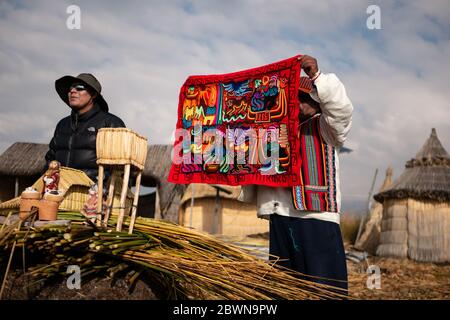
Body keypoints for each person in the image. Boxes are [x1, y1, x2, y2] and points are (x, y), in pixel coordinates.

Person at [238, 55, 353, 294]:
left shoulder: (326, 127)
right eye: (294, 99)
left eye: (305, 98)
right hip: (281, 217)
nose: (299, 104)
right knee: (284, 290)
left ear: (319, 100)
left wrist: (316, 77)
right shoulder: (274, 133)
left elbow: (342, 111)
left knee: (326, 291)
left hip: (316, 217)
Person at [45, 73, 125, 182]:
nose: (73, 91)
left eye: (79, 88)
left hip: (95, 192)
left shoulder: (110, 123)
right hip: (59, 190)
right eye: (70, 88)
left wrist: (103, 194)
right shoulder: (62, 125)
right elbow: (50, 160)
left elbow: (121, 168)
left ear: (93, 94)